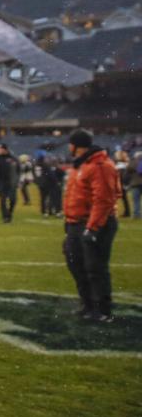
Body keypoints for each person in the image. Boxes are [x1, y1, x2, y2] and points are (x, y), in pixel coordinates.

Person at [62, 129, 121, 322]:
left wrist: (93, 227)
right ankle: (87, 304)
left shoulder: (99, 165)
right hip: (75, 223)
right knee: (76, 264)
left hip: (94, 223)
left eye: (70, 144)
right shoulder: (81, 165)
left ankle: (102, 310)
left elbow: (103, 200)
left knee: (95, 268)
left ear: (76, 145)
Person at [0, 144, 20, 224]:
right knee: (2, 200)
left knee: (13, 200)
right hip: (0, 183)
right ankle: (5, 217)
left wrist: (17, 181)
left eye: (0, 149)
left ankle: (9, 213)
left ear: (5, 150)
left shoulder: (13, 159)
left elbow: (18, 170)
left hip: (11, 183)